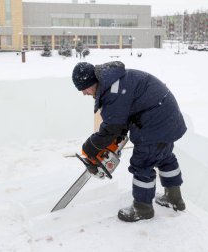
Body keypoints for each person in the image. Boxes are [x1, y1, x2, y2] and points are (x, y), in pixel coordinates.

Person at [71, 61, 187, 222]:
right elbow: (123, 116)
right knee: (165, 157)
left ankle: (142, 209)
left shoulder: (112, 90)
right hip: (167, 117)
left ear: (92, 82)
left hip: (155, 123)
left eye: (83, 89)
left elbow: (112, 127)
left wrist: (91, 146)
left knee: (143, 163)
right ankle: (175, 199)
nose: (84, 93)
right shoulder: (114, 80)